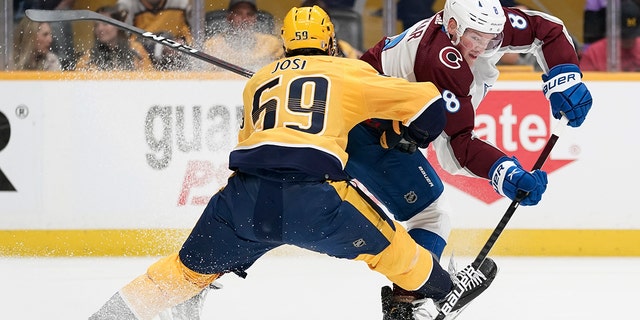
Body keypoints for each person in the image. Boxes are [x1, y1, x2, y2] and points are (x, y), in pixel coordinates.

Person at [89, 5, 499, 320]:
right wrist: (402, 138)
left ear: (285, 43)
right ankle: (443, 289)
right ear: (330, 42)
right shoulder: (348, 71)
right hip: (316, 200)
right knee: (399, 253)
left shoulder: (258, 81)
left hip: (243, 200)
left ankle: (108, 315)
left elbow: (256, 143)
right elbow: (429, 105)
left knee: (179, 273)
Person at [351, 0, 593, 318]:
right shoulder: (442, 60)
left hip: (379, 120)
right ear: (452, 27)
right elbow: (457, 147)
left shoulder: (474, 26)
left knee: (432, 213)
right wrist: (506, 173)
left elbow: (545, 30)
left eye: (491, 38)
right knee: (431, 216)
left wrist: (565, 76)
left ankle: (407, 300)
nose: (484, 46)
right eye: (476, 39)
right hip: (364, 128)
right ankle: (406, 304)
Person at [202, 0, 283, 75]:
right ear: (229, 17)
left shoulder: (272, 44)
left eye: (249, 14)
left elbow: (281, 73)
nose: (244, 19)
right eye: (238, 13)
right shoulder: (212, 45)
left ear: (255, 18)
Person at [75, 6, 152, 71]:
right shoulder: (89, 56)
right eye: (96, 25)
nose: (100, 28)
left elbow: (150, 78)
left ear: (118, 25)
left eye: (105, 23)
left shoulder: (136, 49)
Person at [580, 0, 640, 71]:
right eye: (624, 36)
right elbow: (584, 80)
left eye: (633, 35)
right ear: (614, 30)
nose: (629, 40)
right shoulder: (593, 54)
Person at [116, 0, 193, 53]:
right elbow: (123, 39)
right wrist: (158, 47)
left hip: (176, 54)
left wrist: (183, 43)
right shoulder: (127, 4)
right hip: (142, 54)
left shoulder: (182, 2)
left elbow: (192, 36)